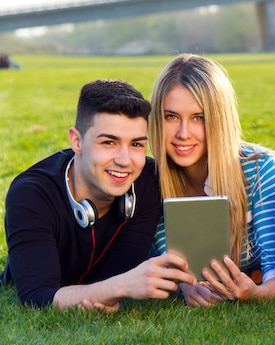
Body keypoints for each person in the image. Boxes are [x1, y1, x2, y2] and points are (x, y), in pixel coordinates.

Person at [1, 79, 197, 311]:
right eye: (108, 142)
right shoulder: (31, 194)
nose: (125, 161)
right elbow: (37, 297)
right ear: (77, 141)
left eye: (136, 144)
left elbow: (117, 273)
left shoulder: (148, 182)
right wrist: (115, 289)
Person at [149, 53, 275, 305]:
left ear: (218, 119)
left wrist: (253, 293)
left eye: (198, 118)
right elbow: (172, 267)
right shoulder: (151, 181)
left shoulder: (259, 168)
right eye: (171, 116)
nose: (183, 133)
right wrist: (186, 287)